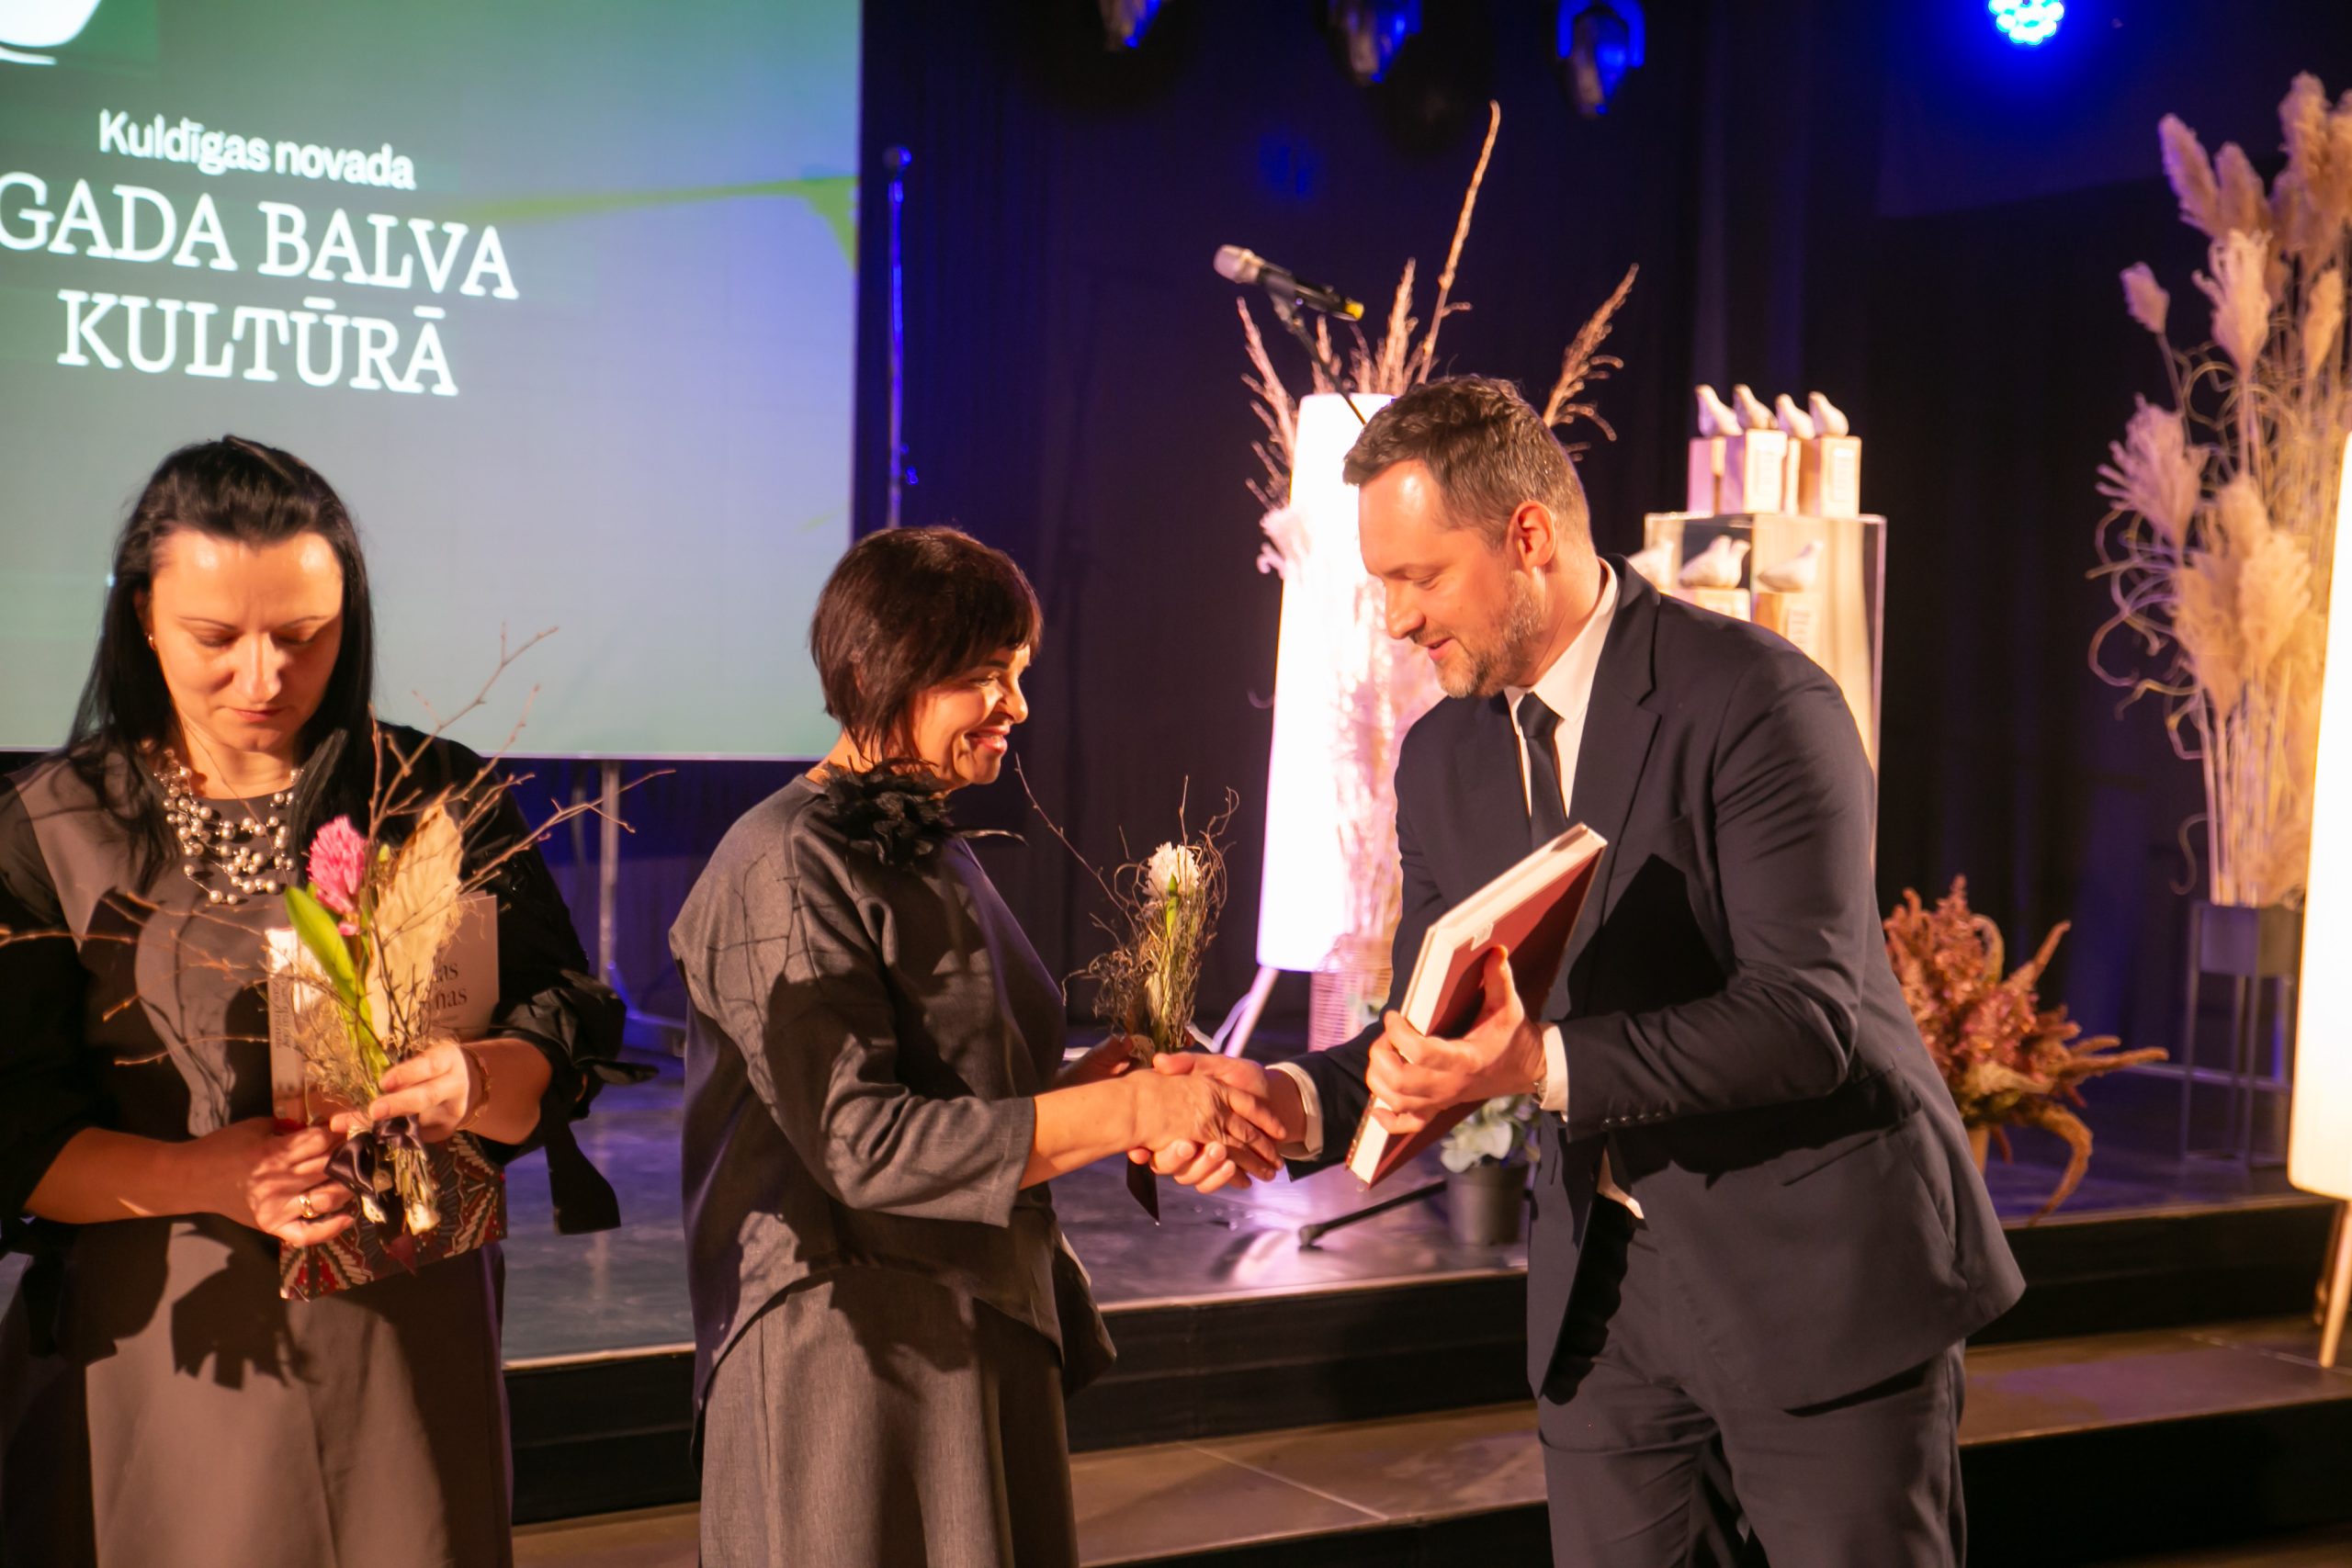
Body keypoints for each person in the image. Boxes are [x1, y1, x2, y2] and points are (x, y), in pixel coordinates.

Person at [1153, 378, 2024, 1566]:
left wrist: (1537, 1063)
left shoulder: (1758, 699)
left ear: (1528, 536)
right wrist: (1285, 1100)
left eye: (1419, 577)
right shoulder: (1441, 756)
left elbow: (1803, 1019)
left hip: (1817, 1271)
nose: (1397, 620)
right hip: (1603, 1304)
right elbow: (1431, 1028)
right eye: (1381, 584)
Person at [0, 437, 625, 1568]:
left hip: (408, 1332)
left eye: (302, 637)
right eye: (216, 639)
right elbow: (15, 1133)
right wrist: (213, 1176)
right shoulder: (54, 827)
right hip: (174, 1350)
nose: (263, 678)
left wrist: (481, 1078)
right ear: (143, 617)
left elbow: (558, 1017)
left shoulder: (434, 794)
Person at [673, 525, 1287, 1568]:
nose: (1017, 705)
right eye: (983, 676)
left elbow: (958, 1089)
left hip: (968, 1317)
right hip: (854, 1356)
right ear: (878, 672)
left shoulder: (927, 843)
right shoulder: (781, 862)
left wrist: (1094, 1082)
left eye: (1019, 672)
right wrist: (1128, 1112)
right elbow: (860, 1141)